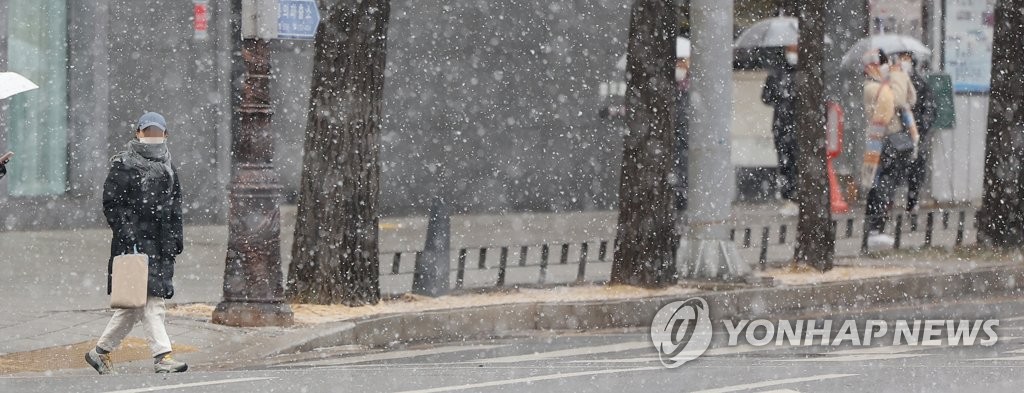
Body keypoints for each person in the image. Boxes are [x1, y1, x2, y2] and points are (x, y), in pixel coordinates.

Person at [85, 112, 187, 374]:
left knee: (132, 307)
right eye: (148, 131)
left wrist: (176, 238)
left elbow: (175, 206)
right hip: (134, 246)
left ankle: (99, 353)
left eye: (157, 132)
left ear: (165, 135)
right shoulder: (124, 165)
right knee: (153, 302)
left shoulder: (169, 166)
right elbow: (112, 204)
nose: (153, 137)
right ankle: (163, 356)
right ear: (137, 133)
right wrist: (129, 236)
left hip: (161, 246)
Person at [861, 50, 914, 248]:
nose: (887, 68)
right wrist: (898, 76)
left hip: (887, 141)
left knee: (886, 184)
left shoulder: (884, 86)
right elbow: (899, 101)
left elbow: (910, 98)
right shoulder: (874, 88)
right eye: (884, 64)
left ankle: (877, 228)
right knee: (881, 185)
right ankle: (875, 228)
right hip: (882, 141)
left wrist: (900, 78)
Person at [895, 52, 937, 212]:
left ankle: (912, 201)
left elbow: (930, 109)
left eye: (906, 59)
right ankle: (890, 201)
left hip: (915, 133)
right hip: (897, 133)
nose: (903, 63)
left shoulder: (921, 84)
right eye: (901, 59)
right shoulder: (894, 82)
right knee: (895, 167)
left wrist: (920, 126)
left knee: (916, 168)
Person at [761, 44, 799, 216]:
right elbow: (766, 97)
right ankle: (788, 196)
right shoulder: (777, 72)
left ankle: (798, 195)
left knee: (798, 161)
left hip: (799, 125)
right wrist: (780, 95)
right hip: (782, 125)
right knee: (785, 162)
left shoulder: (802, 72)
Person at [673, 55, 690, 211]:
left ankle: (682, 197)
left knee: (684, 166)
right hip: (674, 134)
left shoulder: (692, 88)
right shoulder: (669, 88)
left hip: (686, 135)